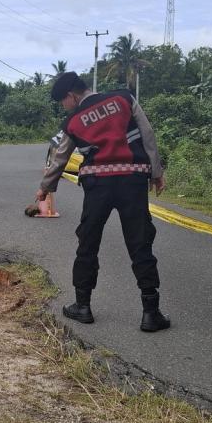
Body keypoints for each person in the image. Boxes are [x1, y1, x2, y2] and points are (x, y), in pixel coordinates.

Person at [36, 72, 170, 332]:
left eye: (63, 101)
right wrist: (156, 172)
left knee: (88, 241)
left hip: (98, 186)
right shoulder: (124, 99)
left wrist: (45, 188)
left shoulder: (73, 120)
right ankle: (151, 313)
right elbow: (147, 134)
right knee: (140, 242)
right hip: (132, 180)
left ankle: (82, 306)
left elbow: (60, 157)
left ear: (71, 96)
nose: (64, 107)